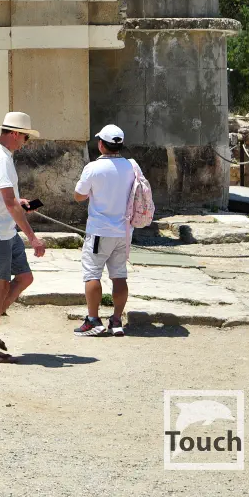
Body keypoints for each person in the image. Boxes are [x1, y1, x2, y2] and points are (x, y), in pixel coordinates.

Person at [0, 111, 48, 363]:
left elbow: (6, 198)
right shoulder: (0, 158)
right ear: (15, 134)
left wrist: (20, 202)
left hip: (4, 229)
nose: (26, 143)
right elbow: (8, 202)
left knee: (24, 277)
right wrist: (33, 237)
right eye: (26, 137)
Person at [73, 124, 137, 337]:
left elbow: (79, 196)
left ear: (101, 145)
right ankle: (117, 320)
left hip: (100, 231)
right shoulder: (131, 166)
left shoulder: (93, 168)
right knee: (119, 275)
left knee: (92, 274)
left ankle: (93, 320)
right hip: (124, 231)